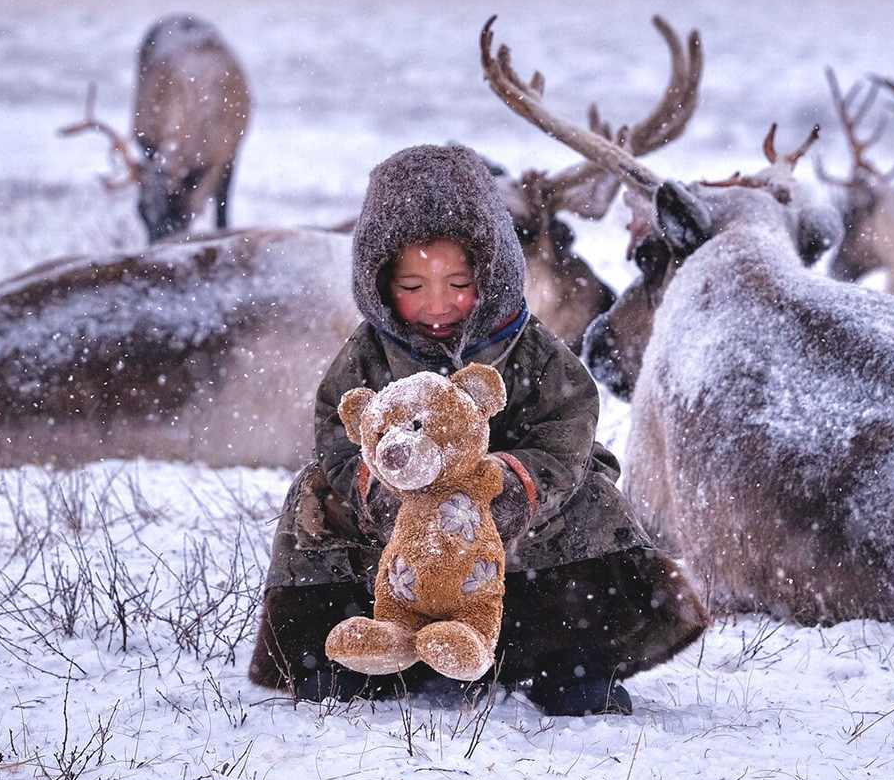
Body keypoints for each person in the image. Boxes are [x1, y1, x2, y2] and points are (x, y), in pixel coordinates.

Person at [248, 143, 708, 715]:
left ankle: (569, 660)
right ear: (379, 284)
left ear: (491, 272)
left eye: (458, 283)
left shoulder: (532, 348)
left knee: (592, 497)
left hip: (512, 523)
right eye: (412, 287)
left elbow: (567, 431)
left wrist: (514, 488)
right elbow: (338, 434)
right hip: (400, 541)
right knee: (313, 499)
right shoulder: (368, 355)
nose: (436, 304)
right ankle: (338, 654)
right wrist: (377, 493)